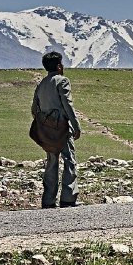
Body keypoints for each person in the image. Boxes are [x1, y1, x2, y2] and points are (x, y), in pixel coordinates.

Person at [32, 51, 82, 207]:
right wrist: (76, 125)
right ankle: (68, 198)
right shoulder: (62, 81)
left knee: (51, 162)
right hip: (62, 129)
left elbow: (35, 109)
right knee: (70, 161)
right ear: (59, 66)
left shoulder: (41, 84)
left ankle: (48, 200)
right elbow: (68, 105)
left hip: (48, 131)